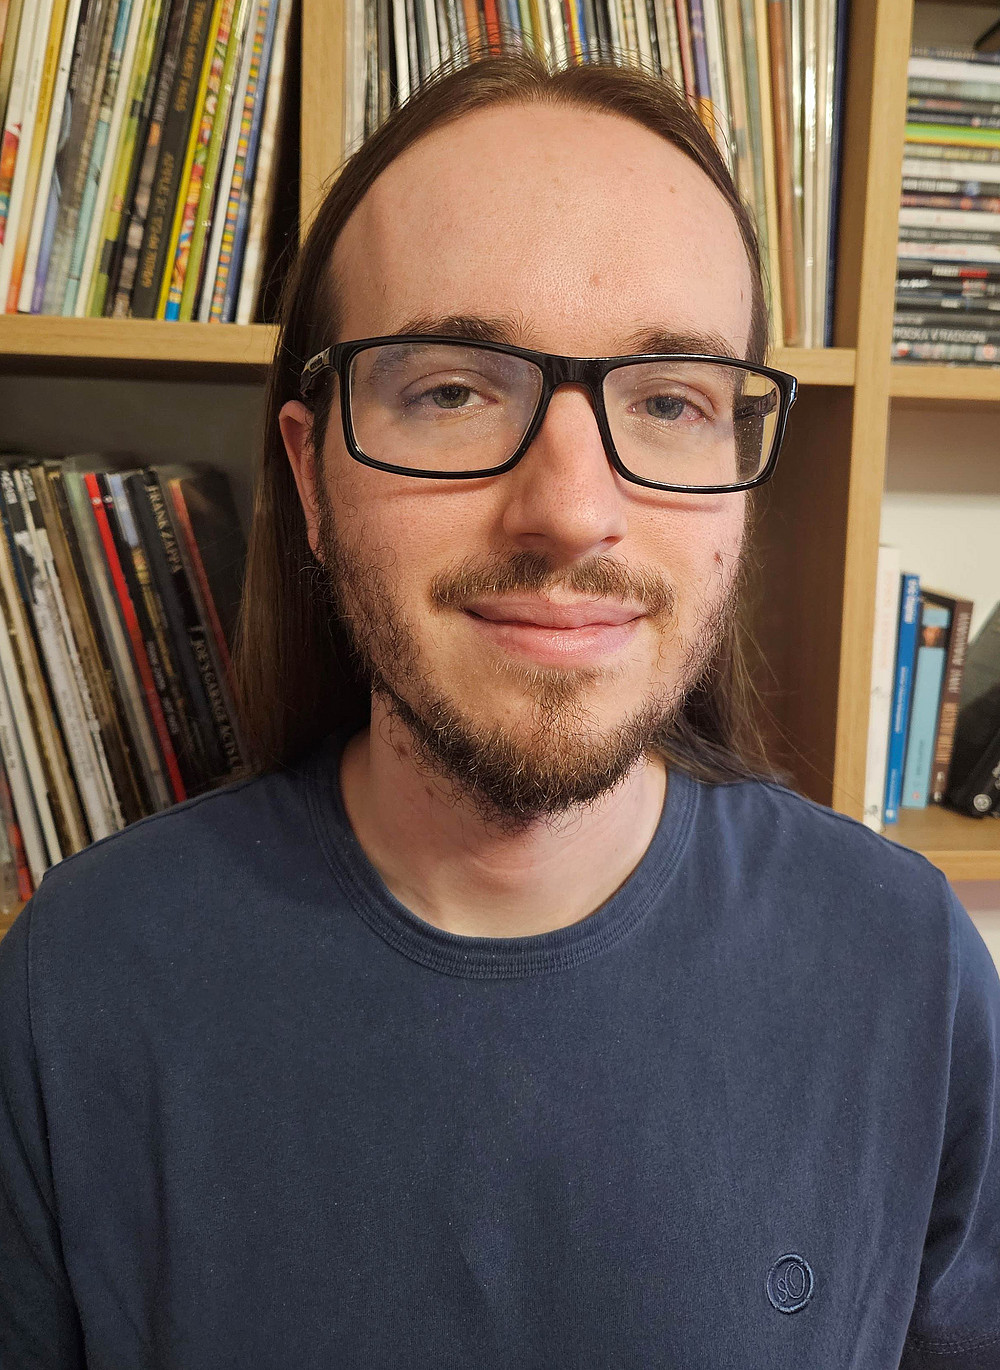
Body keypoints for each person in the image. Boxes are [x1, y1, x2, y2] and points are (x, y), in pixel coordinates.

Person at [2, 48, 998, 1370]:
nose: (572, 508)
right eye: (455, 389)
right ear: (312, 473)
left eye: (671, 398)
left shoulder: (907, 968)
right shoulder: (75, 986)